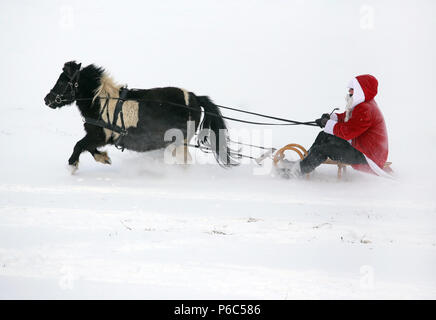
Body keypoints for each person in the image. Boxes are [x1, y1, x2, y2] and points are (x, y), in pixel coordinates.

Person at [278, 74, 389, 178]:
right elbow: (348, 118)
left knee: (323, 150)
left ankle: (296, 172)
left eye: (353, 89)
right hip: (360, 147)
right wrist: (331, 118)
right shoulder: (364, 105)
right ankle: (304, 163)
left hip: (367, 156)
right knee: (324, 134)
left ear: (362, 91)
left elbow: (348, 132)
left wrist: (327, 123)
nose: (349, 91)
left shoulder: (365, 109)